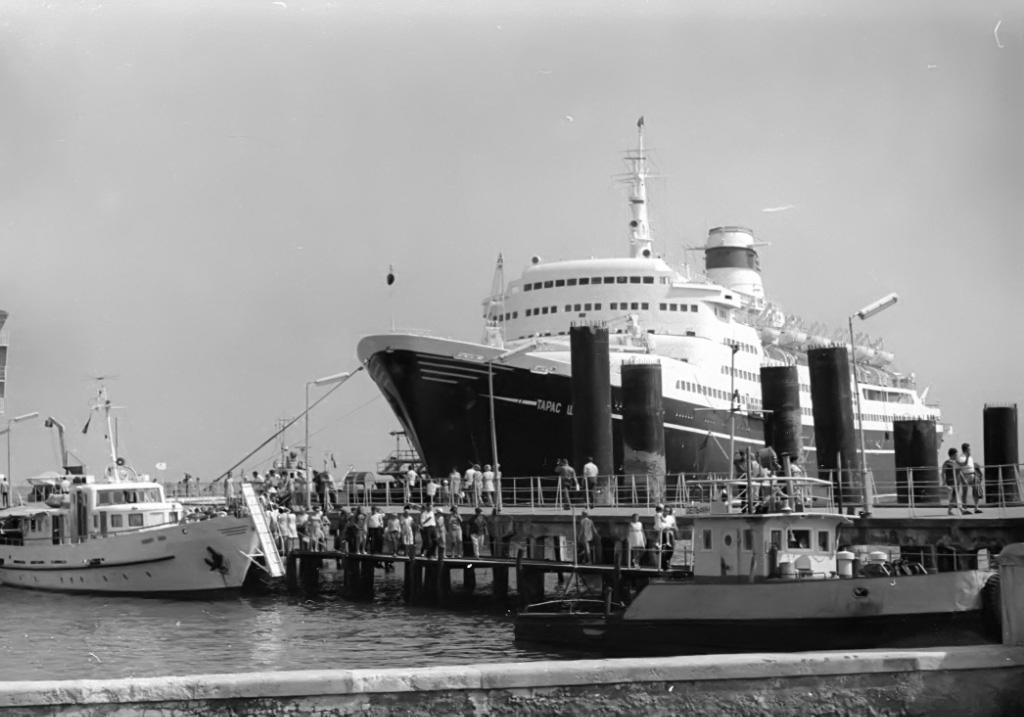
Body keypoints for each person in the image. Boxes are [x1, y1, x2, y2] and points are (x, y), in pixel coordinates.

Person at [957, 442, 983, 514]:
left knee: (976, 491)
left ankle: (976, 507)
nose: (970, 450)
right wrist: (963, 478)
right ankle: (965, 508)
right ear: (966, 449)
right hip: (965, 475)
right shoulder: (961, 457)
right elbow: (960, 468)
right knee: (964, 492)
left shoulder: (970, 457)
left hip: (973, 475)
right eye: (969, 449)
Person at [942, 447, 965, 516]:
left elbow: (960, 471)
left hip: (957, 481)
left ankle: (950, 511)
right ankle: (961, 509)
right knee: (955, 495)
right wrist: (944, 482)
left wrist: (963, 479)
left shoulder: (956, 462)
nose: (957, 456)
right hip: (951, 481)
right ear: (952, 455)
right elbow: (943, 472)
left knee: (954, 497)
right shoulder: (947, 463)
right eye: (956, 455)